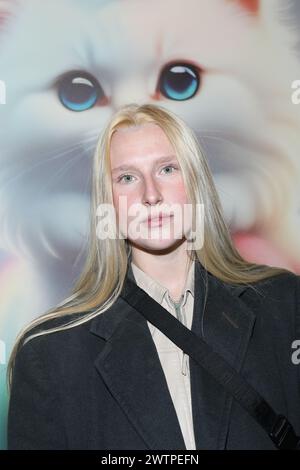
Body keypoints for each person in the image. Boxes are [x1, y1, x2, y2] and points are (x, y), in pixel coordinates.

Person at [6, 103, 300, 450]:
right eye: (126, 177)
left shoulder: (284, 305)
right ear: (108, 202)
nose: (150, 195)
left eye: (167, 169)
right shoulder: (49, 353)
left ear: (196, 183)